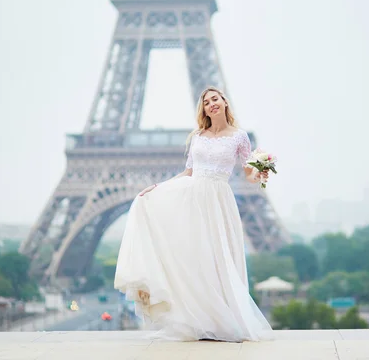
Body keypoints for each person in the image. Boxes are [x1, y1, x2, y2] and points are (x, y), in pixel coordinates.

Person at [114, 87, 274, 342]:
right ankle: (199, 321)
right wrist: (159, 187)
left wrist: (261, 172)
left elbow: (248, 174)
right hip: (192, 199)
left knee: (218, 259)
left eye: (215, 99)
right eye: (206, 102)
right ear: (204, 109)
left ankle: (222, 320)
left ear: (224, 102)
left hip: (218, 201)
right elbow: (188, 172)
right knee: (195, 259)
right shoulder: (198, 136)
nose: (211, 104)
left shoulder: (240, 137)